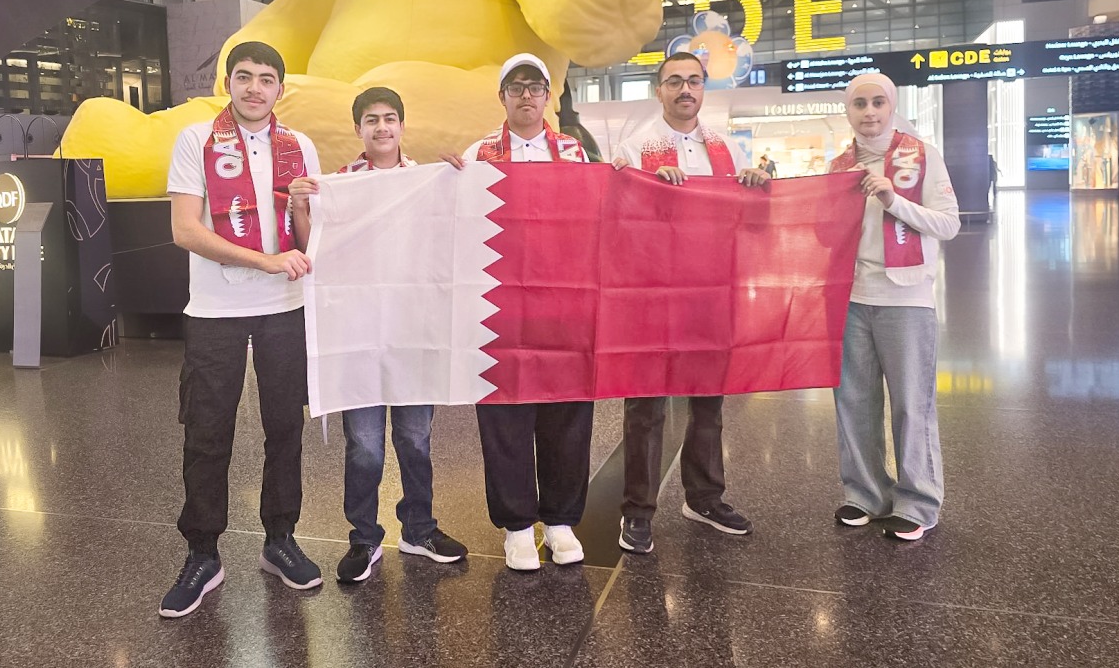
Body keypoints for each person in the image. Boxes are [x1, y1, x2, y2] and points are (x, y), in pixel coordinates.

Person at [160, 41, 322, 618]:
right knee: (207, 431)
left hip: (285, 305)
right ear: (228, 83)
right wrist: (264, 261)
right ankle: (203, 552)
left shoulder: (299, 146)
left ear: (281, 89)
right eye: (245, 77)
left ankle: (280, 539)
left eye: (267, 79)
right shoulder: (195, 140)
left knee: (284, 427)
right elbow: (185, 230)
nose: (255, 88)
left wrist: (303, 209)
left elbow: (308, 238)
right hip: (214, 309)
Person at [290, 87, 468, 584]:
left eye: (391, 118)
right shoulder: (338, 185)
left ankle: (419, 528)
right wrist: (302, 207)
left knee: (416, 438)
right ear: (358, 130)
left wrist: (460, 180)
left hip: (412, 329)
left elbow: (454, 234)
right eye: (372, 120)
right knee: (364, 446)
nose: (383, 128)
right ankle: (364, 538)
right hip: (360, 332)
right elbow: (313, 254)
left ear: (403, 126)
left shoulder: (424, 179)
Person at [611, 51, 769, 555]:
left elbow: (754, 224)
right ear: (658, 91)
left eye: (694, 81)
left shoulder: (726, 149)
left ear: (705, 90)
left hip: (709, 290)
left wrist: (758, 190)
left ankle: (703, 497)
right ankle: (637, 510)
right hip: (653, 294)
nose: (685, 89)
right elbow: (618, 219)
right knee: (647, 407)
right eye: (674, 81)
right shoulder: (635, 148)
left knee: (708, 402)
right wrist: (647, 192)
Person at [442, 53, 592, 571]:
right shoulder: (479, 153)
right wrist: (446, 182)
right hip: (499, 304)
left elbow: (598, 214)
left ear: (548, 97)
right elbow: (458, 221)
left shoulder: (575, 152)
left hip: (563, 300)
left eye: (535, 87)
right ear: (502, 96)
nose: (526, 96)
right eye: (516, 87)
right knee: (504, 412)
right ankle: (516, 525)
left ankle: (561, 519)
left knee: (566, 409)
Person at [828, 72, 960, 542]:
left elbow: (948, 225)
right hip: (850, 298)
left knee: (911, 404)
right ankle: (865, 494)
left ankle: (919, 501)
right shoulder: (839, 165)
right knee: (854, 402)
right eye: (859, 103)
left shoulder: (921, 157)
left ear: (892, 105)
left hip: (906, 298)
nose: (869, 112)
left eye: (877, 103)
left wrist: (893, 199)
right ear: (848, 111)